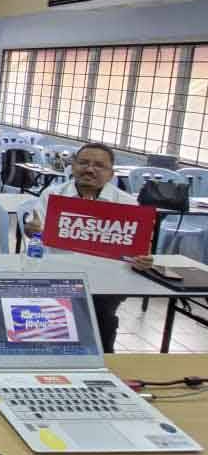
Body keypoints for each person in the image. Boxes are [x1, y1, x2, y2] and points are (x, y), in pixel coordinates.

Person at [23, 143, 152, 353]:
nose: (90, 170)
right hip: (59, 274)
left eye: (99, 166)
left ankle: (101, 359)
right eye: (83, 163)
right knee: (53, 314)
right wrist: (32, 229)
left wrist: (142, 260)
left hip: (106, 280)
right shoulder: (53, 196)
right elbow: (35, 232)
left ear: (111, 173)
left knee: (99, 315)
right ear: (72, 166)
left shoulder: (127, 204)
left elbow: (137, 252)